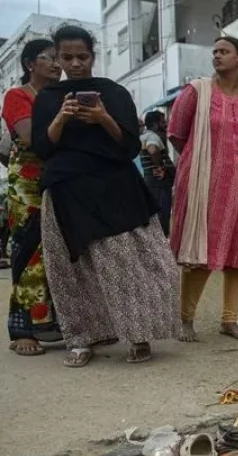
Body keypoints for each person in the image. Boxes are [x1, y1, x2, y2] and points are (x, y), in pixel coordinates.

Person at [32, 25, 180, 367]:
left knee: (127, 265)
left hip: (114, 187)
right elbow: (42, 148)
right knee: (71, 270)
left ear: (93, 57)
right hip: (66, 189)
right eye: (67, 57)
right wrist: (61, 118)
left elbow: (129, 146)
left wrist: (103, 117)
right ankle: (82, 339)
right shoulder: (49, 98)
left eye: (82, 56)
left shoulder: (113, 93)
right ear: (58, 58)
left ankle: (139, 334)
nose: (75, 64)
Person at [167, 36, 238, 342]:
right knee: (202, 249)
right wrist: (203, 161)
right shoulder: (197, 91)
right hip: (205, 184)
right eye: (214, 51)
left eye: (224, 51)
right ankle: (186, 319)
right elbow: (176, 134)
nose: (216, 56)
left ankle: (229, 320)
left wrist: (234, 164)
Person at [2, 38, 63, 356]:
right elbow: (30, 138)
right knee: (29, 250)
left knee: (58, 251)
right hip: (27, 182)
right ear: (29, 64)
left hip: (60, 178)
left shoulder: (61, 96)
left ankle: (54, 323)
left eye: (57, 58)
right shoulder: (17, 95)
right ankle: (22, 329)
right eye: (49, 58)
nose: (57, 63)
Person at [140, 110, 175, 235]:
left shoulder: (144, 136)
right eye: (162, 122)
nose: (165, 124)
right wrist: (158, 167)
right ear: (155, 124)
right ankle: (163, 238)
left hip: (153, 182)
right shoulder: (152, 137)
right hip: (159, 183)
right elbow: (153, 150)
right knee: (162, 212)